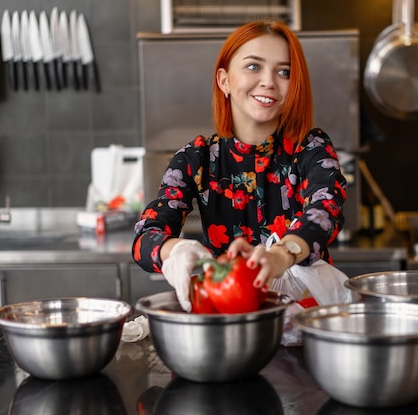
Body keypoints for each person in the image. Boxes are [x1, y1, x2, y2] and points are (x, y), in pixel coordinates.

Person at [132, 20, 347, 312]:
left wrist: (283, 254)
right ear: (224, 80)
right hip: (229, 318)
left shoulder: (312, 149)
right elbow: (146, 237)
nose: (269, 81)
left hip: (307, 318)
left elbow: (325, 209)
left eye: (284, 71)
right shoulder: (196, 158)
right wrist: (176, 250)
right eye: (253, 66)